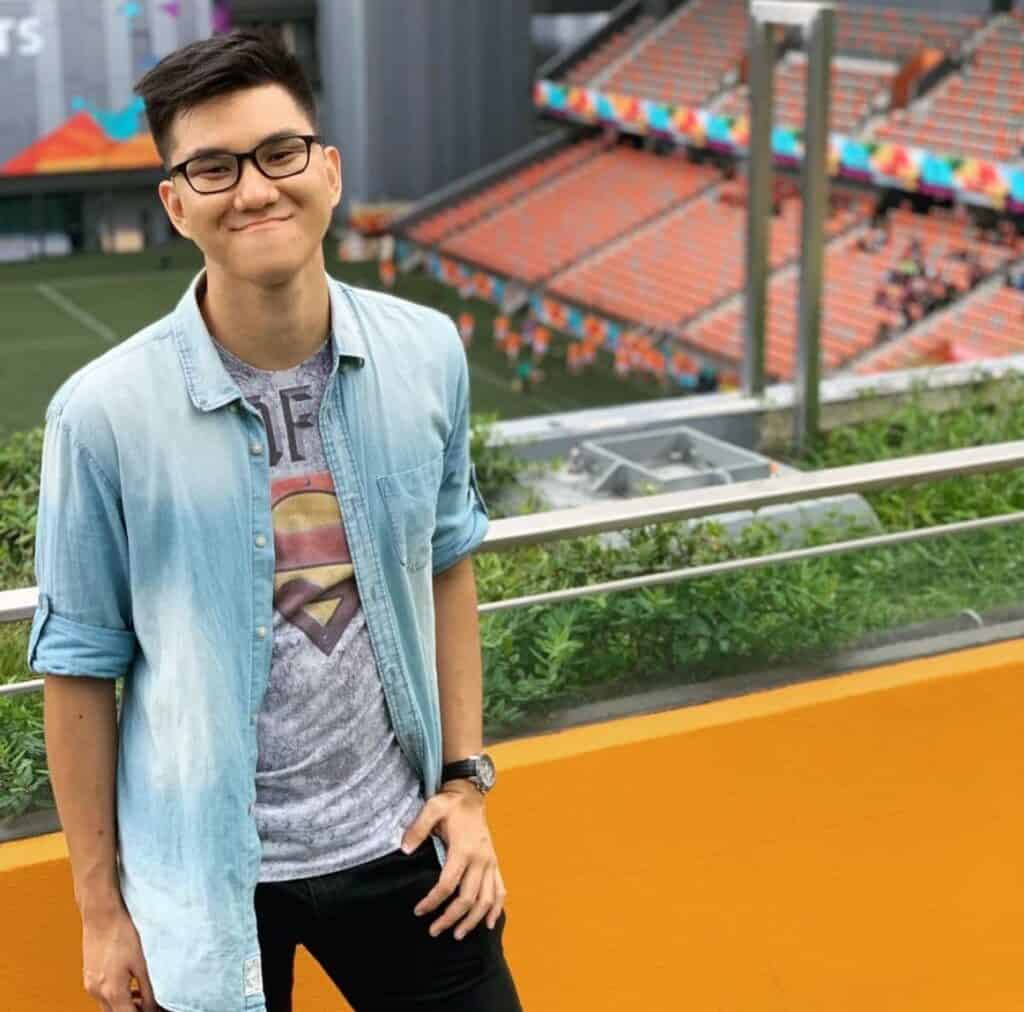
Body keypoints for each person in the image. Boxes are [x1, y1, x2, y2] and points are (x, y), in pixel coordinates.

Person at [29, 29, 521, 1012]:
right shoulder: (101, 414)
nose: (254, 189)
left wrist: (467, 785)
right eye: (213, 167)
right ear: (175, 203)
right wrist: (99, 910)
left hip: (407, 848)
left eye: (278, 153)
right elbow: (79, 667)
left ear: (327, 171)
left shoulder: (427, 352)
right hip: (206, 888)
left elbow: (448, 563)